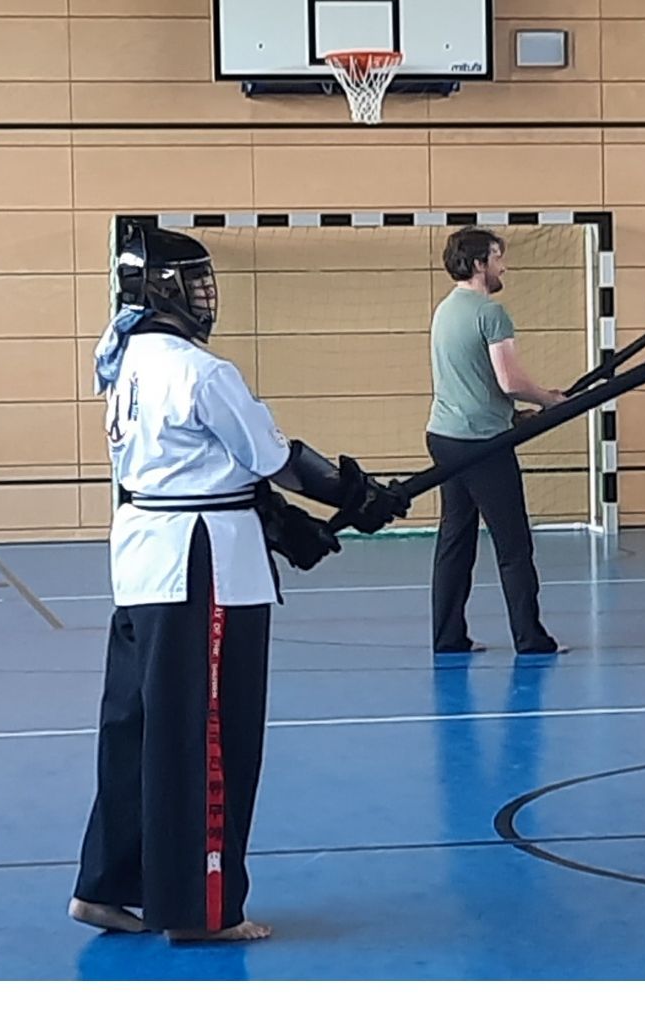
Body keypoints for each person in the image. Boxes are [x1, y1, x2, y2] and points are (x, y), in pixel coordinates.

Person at [76, 220, 367, 947]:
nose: (207, 297)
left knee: (137, 728)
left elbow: (210, 465)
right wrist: (354, 495)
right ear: (162, 289)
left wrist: (283, 522)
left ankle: (108, 884)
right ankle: (203, 909)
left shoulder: (123, 361)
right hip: (200, 568)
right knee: (207, 736)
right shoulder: (201, 372)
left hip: (146, 558)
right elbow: (273, 458)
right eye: (195, 283)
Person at [427, 228, 567, 660]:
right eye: (497, 258)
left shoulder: (446, 310)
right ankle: (531, 639)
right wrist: (548, 399)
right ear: (478, 264)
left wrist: (512, 416)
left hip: (445, 438)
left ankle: (448, 636)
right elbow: (510, 380)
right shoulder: (491, 312)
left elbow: (473, 382)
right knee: (514, 546)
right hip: (481, 445)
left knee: (455, 539)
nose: (503, 267)